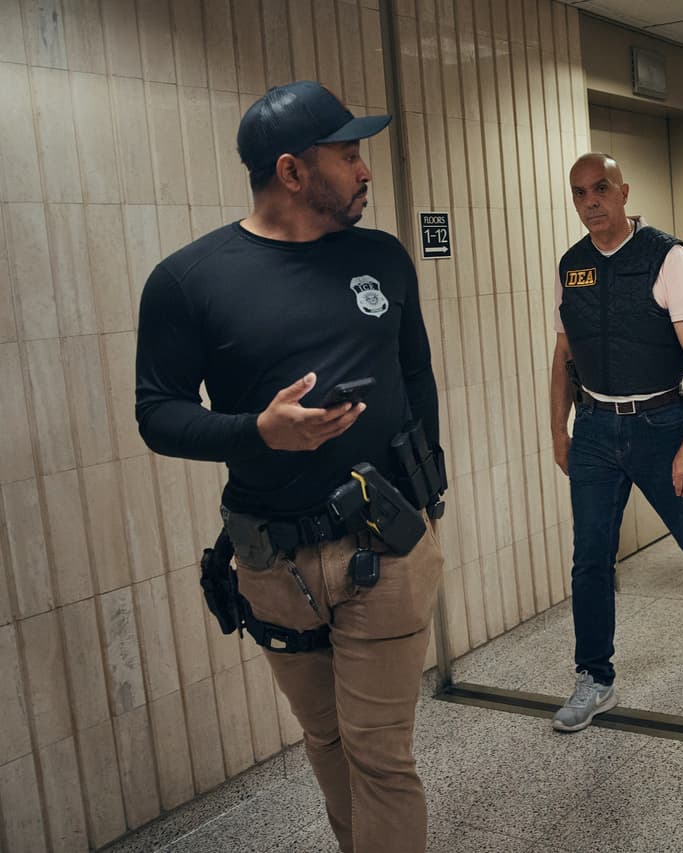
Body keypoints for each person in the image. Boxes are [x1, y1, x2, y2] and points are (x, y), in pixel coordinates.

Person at [135, 81, 445, 853]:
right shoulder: (188, 281)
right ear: (293, 171)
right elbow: (158, 412)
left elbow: (417, 380)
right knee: (326, 738)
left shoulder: (383, 257)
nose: (365, 169)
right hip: (270, 559)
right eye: (348, 154)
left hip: (385, 542)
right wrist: (259, 431)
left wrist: (431, 496)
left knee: (379, 751)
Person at [549, 153, 683, 733]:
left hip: (661, 423)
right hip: (596, 428)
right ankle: (594, 677)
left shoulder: (666, 256)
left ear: (624, 190)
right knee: (590, 555)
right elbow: (562, 358)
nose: (591, 201)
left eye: (601, 188)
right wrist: (557, 430)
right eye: (580, 192)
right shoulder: (571, 265)